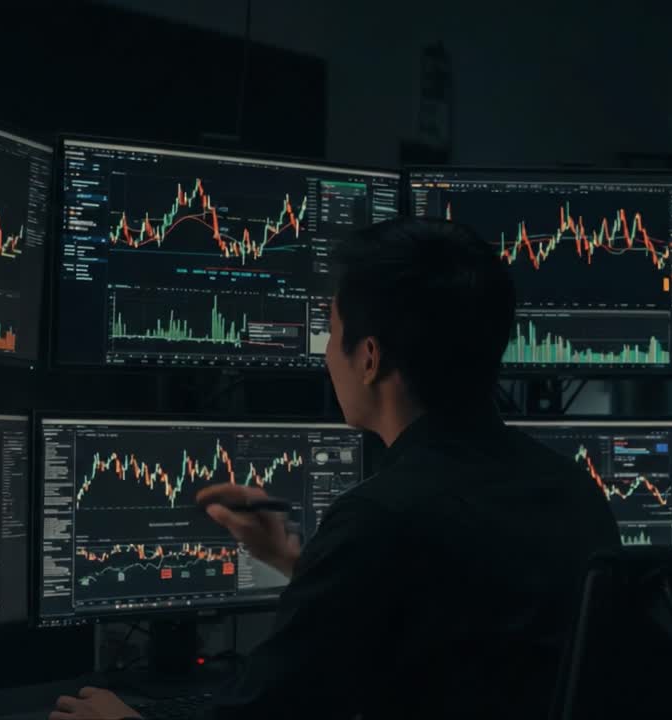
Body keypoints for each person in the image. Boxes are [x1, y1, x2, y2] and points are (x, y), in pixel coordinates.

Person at [51, 218, 620, 720]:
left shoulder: (382, 517)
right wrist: (297, 565)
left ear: (369, 359)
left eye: (329, 331)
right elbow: (447, 636)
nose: (326, 354)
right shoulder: (572, 491)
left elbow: (270, 710)